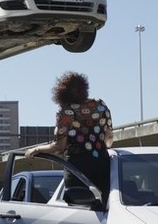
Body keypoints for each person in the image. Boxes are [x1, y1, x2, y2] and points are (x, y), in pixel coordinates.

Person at [25, 71, 113, 204]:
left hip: (77, 167)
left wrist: (36, 149)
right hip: (102, 163)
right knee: (104, 206)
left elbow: (59, 146)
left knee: (77, 208)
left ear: (62, 92)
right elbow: (109, 137)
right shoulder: (100, 105)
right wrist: (101, 150)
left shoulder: (65, 111)